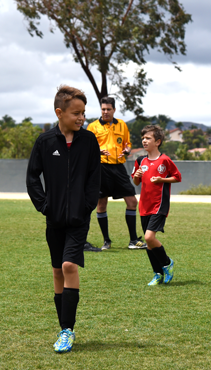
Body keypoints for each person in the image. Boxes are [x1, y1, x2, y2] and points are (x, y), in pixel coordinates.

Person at [26, 85, 101, 353]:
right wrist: (44, 205)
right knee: (57, 271)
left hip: (79, 218)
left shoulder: (90, 141)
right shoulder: (45, 142)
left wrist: (87, 205)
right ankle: (63, 329)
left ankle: (68, 330)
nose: (81, 118)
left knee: (69, 265)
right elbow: (33, 176)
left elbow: (95, 177)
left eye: (83, 113)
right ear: (60, 112)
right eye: (76, 113)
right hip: (54, 219)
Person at [86, 97, 146, 250]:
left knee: (132, 202)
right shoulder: (92, 127)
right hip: (100, 168)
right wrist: (96, 150)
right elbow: (84, 147)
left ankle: (133, 240)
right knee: (101, 204)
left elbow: (127, 144)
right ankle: (106, 241)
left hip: (119, 167)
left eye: (108, 109)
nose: (105, 112)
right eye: (103, 109)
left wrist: (127, 150)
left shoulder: (122, 125)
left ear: (114, 110)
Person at [131, 125, 182, 285]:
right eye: (143, 138)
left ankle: (167, 263)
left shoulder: (165, 160)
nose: (144, 141)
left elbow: (177, 177)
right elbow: (136, 181)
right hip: (144, 205)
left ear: (157, 141)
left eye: (148, 138)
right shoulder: (140, 160)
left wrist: (162, 180)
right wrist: (136, 176)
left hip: (159, 205)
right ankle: (157, 273)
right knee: (149, 244)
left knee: (149, 237)